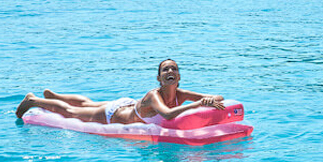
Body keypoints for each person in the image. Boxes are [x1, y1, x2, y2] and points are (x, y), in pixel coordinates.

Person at [15, 59, 225, 124]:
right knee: (72, 112)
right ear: (159, 78)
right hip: (113, 115)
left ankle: (56, 96)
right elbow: (168, 114)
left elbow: (218, 97)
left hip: (129, 104)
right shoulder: (154, 95)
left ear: (178, 77)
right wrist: (199, 103)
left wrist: (208, 99)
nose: (170, 71)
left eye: (174, 69)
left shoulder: (181, 94)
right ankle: (33, 100)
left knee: (88, 103)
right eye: (165, 70)